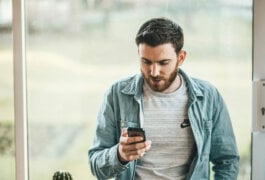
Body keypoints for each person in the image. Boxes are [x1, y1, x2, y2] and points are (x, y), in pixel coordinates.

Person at [88, 17, 239, 180]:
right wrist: (119, 155)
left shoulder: (209, 97)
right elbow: (96, 165)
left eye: (163, 62)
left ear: (180, 58)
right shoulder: (117, 94)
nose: (153, 72)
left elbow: (227, 161)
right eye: (146, 61)